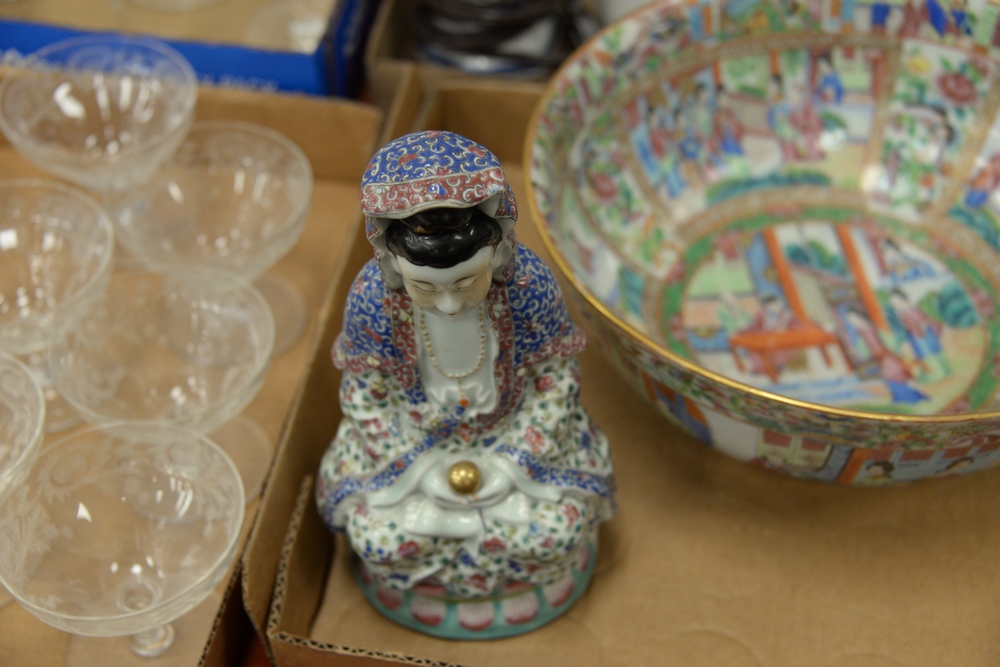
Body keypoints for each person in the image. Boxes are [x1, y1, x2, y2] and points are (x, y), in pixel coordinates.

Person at [315, 131, 615, 635]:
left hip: (514, 436)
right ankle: (457, 540)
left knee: (558, 532)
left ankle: (485, 552)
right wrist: (420, 471)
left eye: (466, 282)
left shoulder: (527, 286)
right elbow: (365, 393)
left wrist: (515, 461)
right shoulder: (373, 298)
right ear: (390, 262)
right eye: (425, 287)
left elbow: (555, 378)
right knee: (378, 539)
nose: (450, 304)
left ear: (497, 252)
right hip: (412, 446)